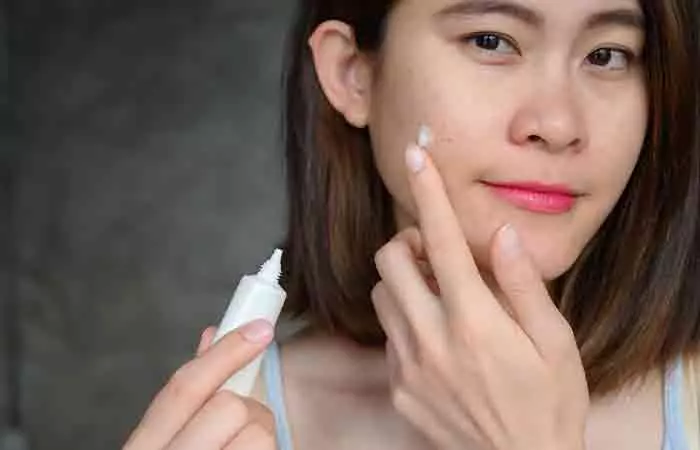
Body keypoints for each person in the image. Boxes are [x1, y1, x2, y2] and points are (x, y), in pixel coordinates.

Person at [123, 0, 700, 448]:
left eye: (607, 55)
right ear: (354, 74)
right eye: (491, 41)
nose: (556, 123)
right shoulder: (239, 419)